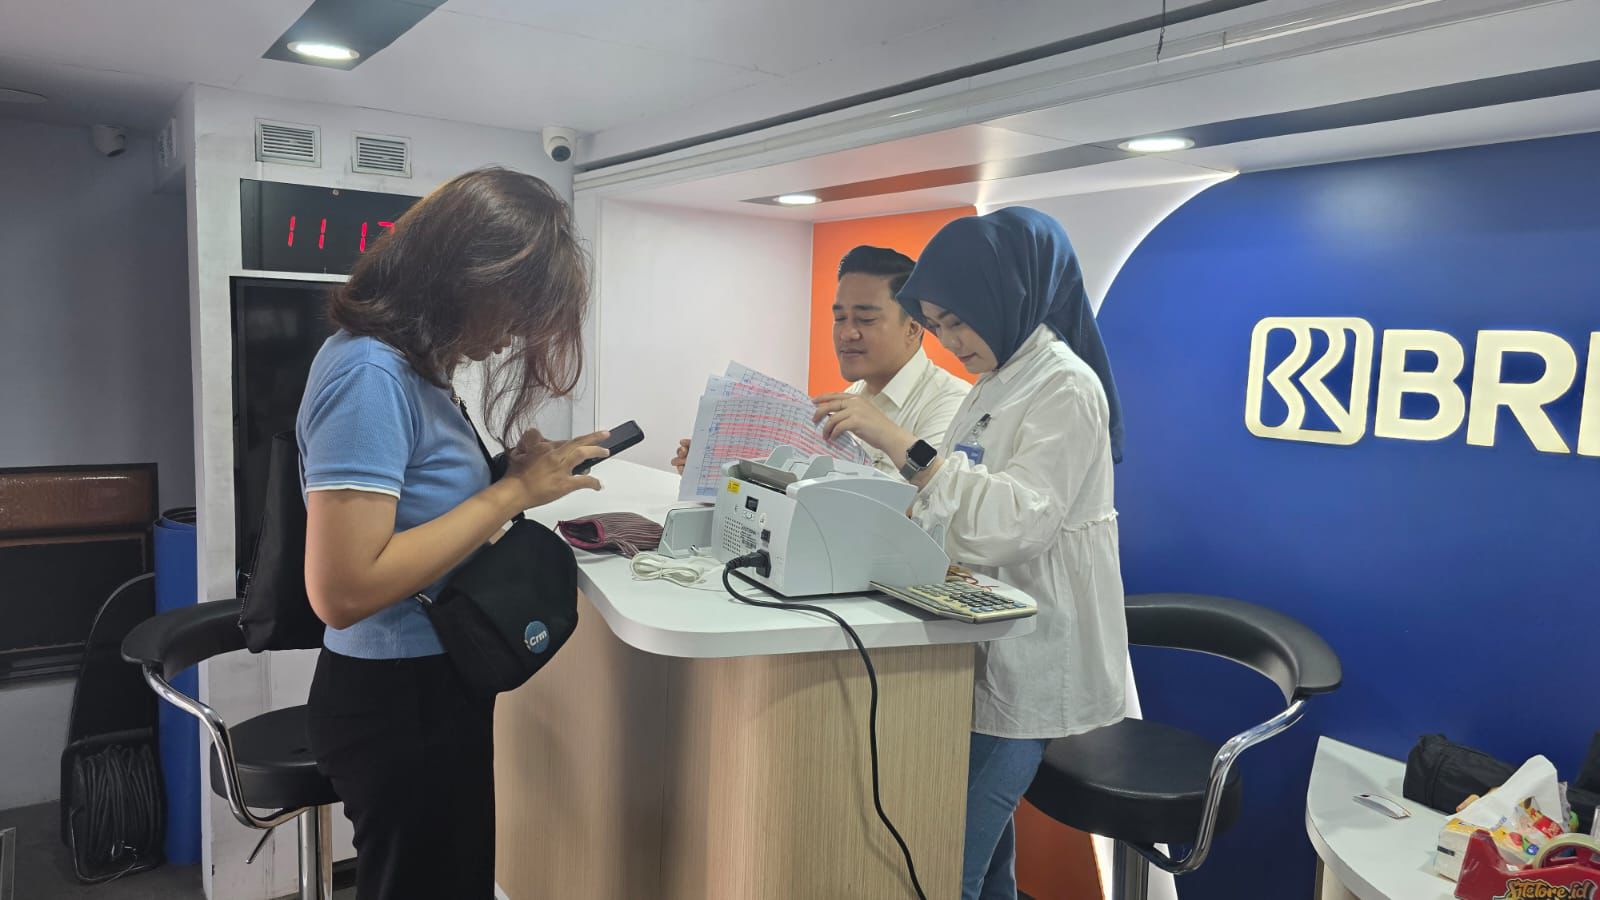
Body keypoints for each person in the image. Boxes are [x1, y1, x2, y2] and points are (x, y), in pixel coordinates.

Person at [296, 168, 609, 899]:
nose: (512, 335)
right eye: (513, 307)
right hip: (395, 697)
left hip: (429, 683)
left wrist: (511, 473)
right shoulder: (370, 373)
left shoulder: (412, 370)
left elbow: (415, 506)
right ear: (465, 276)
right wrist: (511, 494)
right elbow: (342, 590)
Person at [813, 208, 1129, 900]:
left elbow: (1017, 522)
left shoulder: (1065, 387)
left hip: (1032, 655)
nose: (951, 342)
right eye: (939, 325)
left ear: (1005, 296)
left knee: (944, 861)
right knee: (983, 860)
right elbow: (956, 499)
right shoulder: (1001, 374)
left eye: (958, 322)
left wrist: (903, 446)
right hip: (980, 634)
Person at [672, 245, 969, 476]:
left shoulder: (953, 406)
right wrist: (722, 467)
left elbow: (928, 509)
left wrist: (888, 436)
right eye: (839, 318)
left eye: (866, 319)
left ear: (913, 328)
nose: (847, 333)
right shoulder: (848, 399)